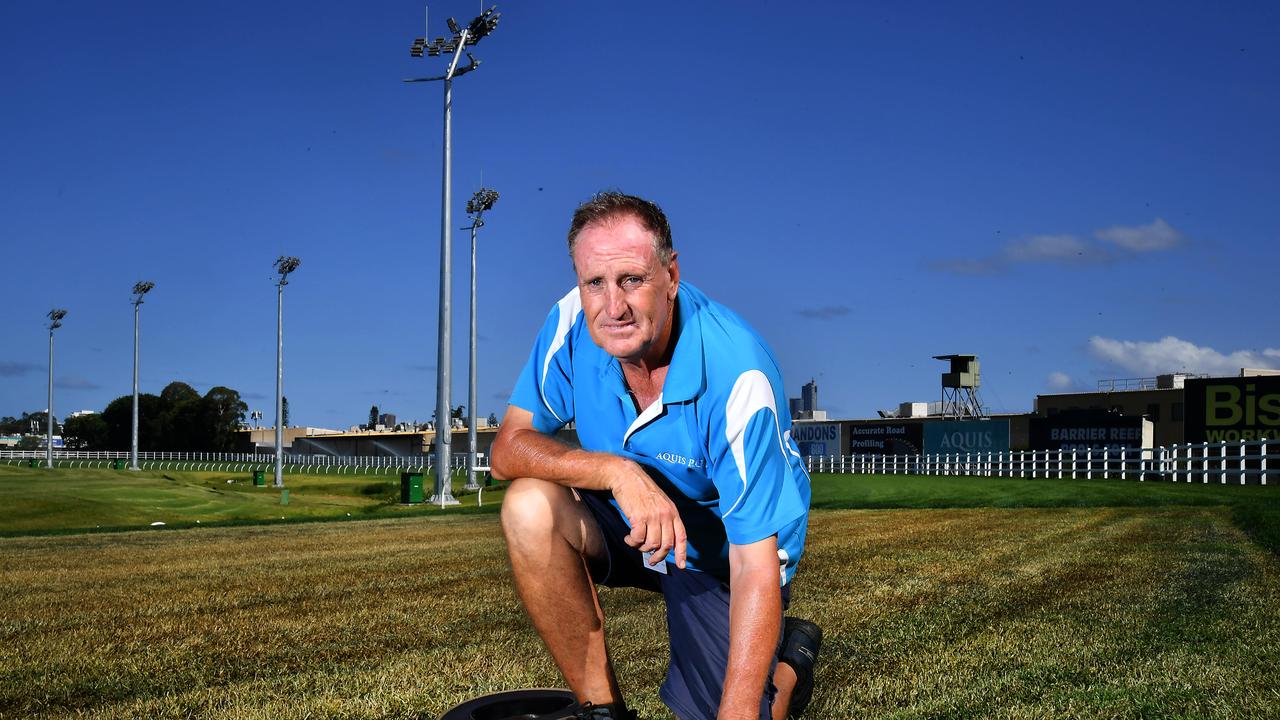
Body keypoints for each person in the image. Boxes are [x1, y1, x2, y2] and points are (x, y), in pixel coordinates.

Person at [492, 191, 820, 720]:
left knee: (741, 713)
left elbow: (754, 566)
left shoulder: (738, 377)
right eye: (594, 282)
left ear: (671, 275)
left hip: (722, 555)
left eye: (632, 280)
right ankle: (602, 712)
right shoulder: (571, 321)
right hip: (629, 522)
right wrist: (617, 473)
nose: (612, 306)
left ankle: (789, 666)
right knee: (529, 506)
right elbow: (508, 448)